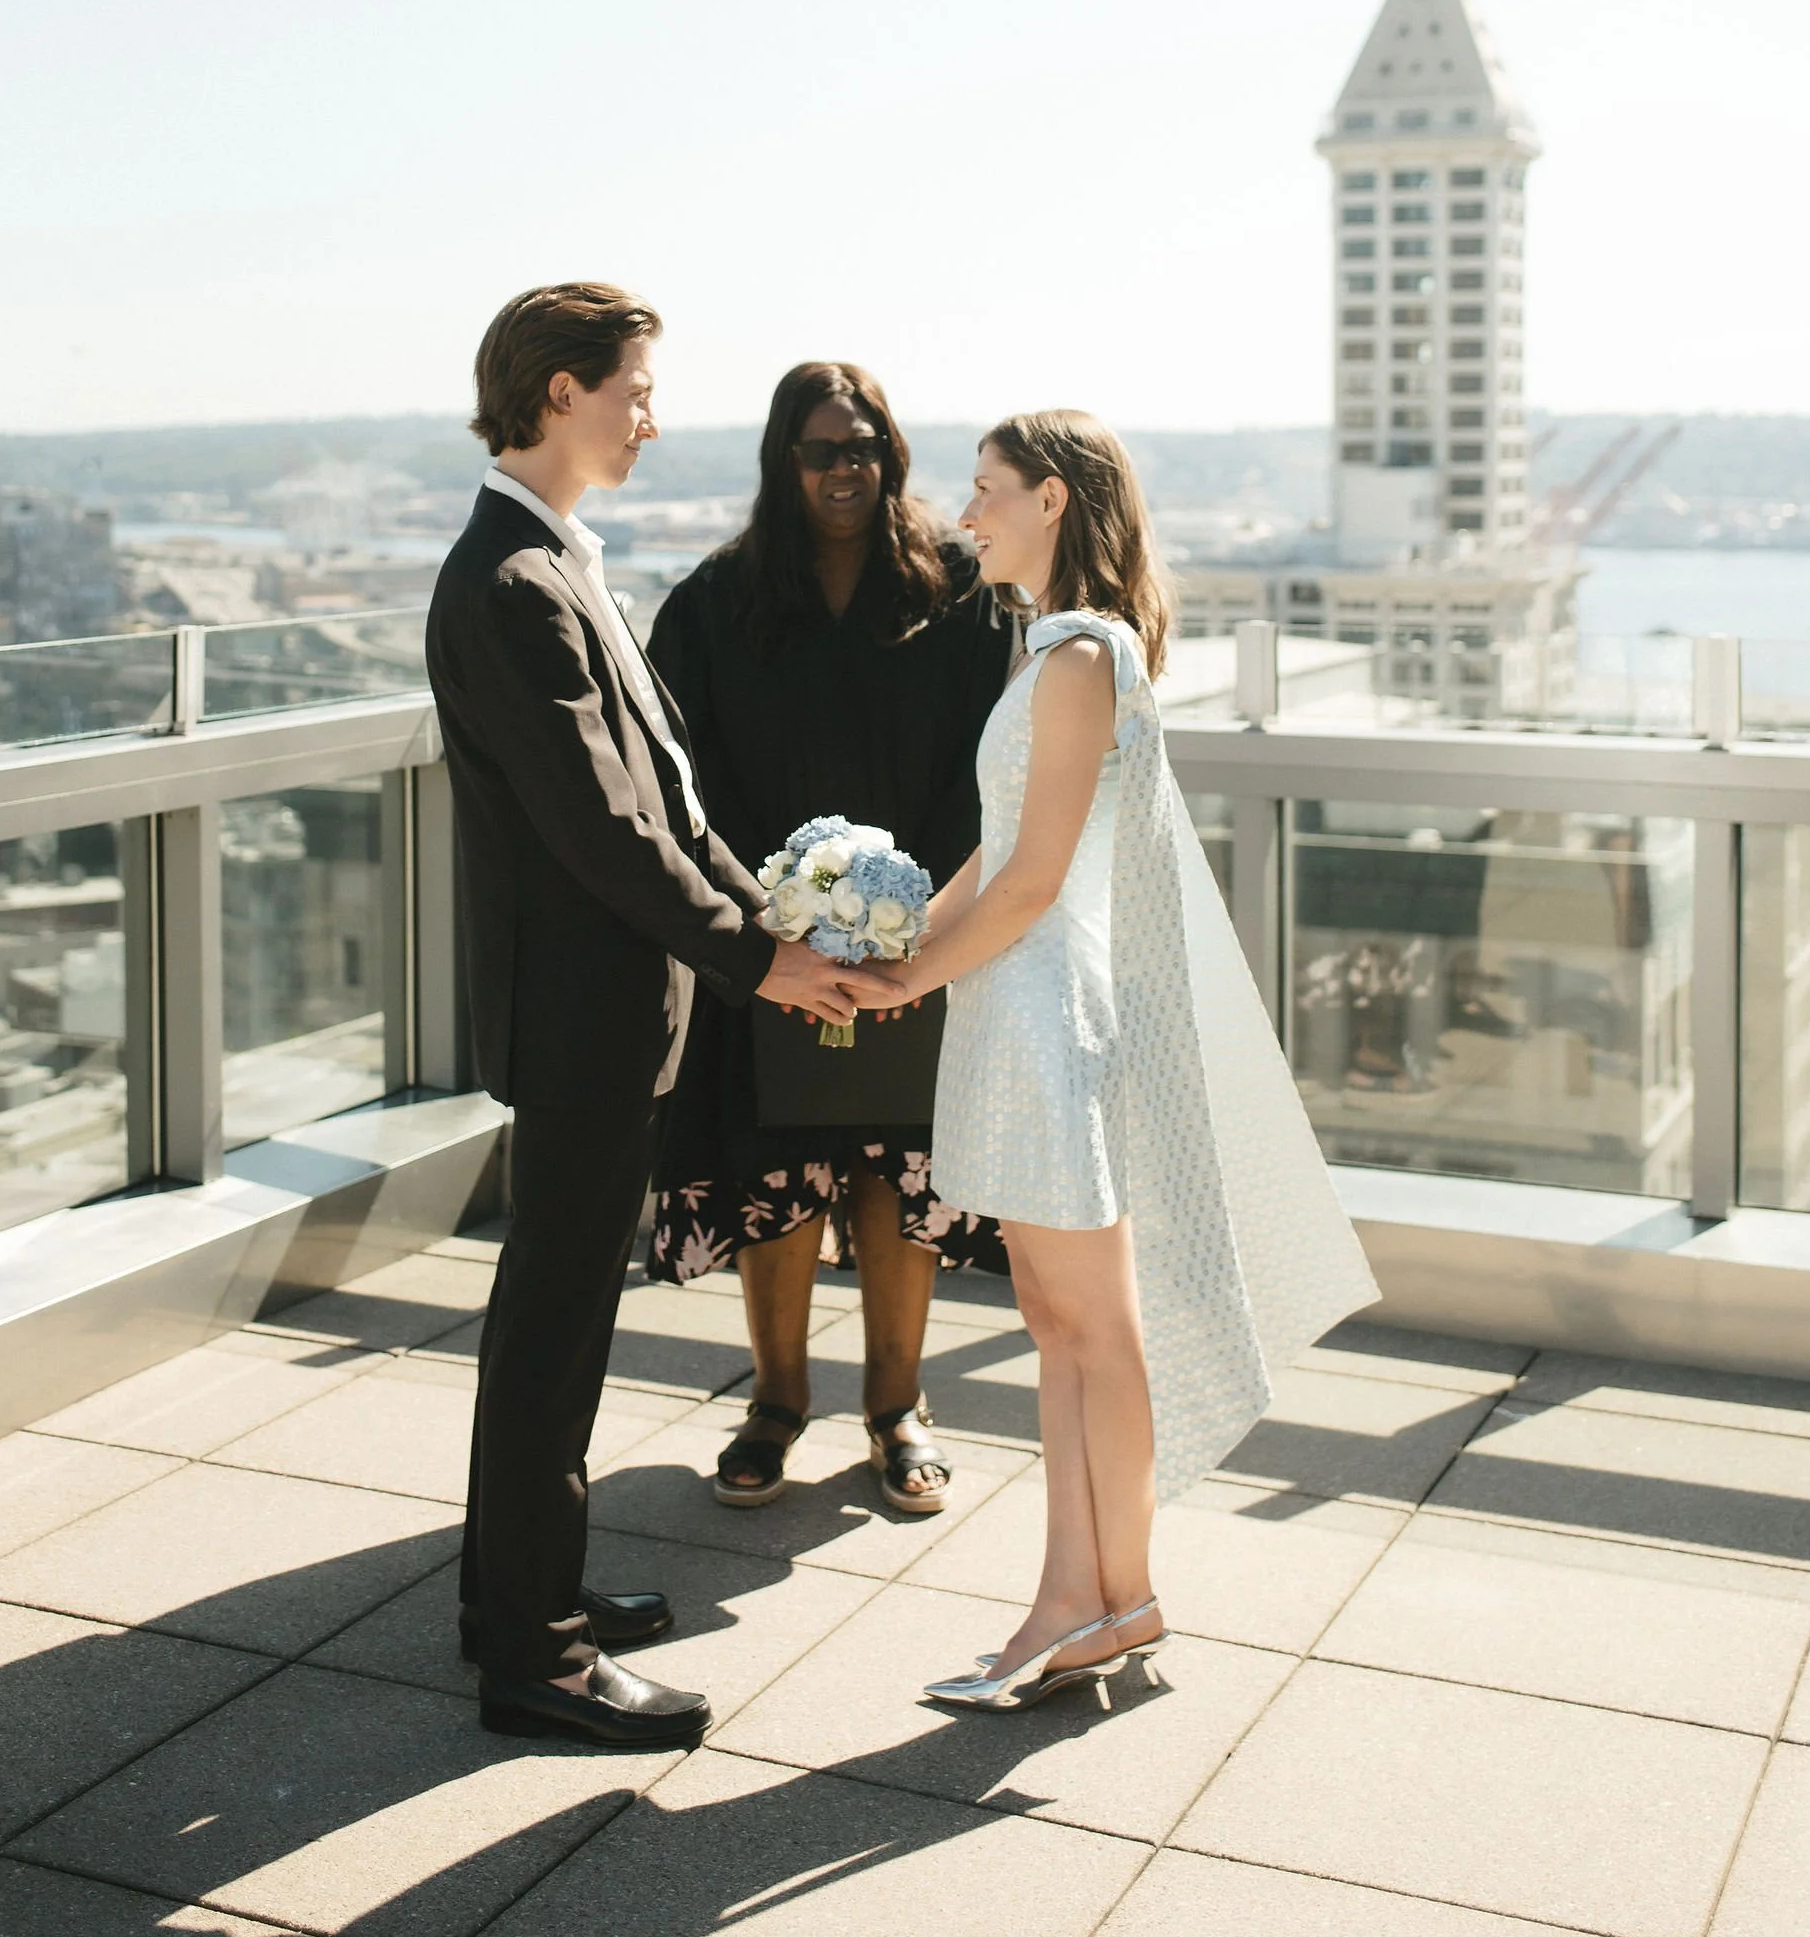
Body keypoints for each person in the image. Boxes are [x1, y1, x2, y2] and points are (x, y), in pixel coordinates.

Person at [840, 410, 1377, 1709]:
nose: (965, 515)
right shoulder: (1054, 650)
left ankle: (1101, 1597)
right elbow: (997, 846)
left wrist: (910, 975)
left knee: (1089, 1324)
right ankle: (1084, 1597)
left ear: (1053, 502)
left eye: (987, 490)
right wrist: (895, 941)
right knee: (1062, 1324)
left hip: (1043, 1018)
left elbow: (1032, 883)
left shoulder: (1080, 655)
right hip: (1014, 1008)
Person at [425, 283, 857, 1751]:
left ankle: (513, 1604)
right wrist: (757, 963)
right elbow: (604, 832)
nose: (651, 420)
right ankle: (536, 1659)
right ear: (561, 391)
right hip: (583, 1019)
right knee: (551, 1338)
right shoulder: (512, 582)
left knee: (550, 1326)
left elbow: (670, 803)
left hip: (604, 1011)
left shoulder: (552, 562)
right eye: (636, 390)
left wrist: (769, 927)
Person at [645, 362, 1014, 1515]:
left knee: (900, 1173)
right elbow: (679, 780)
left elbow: (990, 771)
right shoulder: (715, 599)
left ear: (889, 455)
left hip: (919, 943)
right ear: (783, 461)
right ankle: (774, 1403)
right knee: (778, 1173)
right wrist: (779, 923)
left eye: (862, 447)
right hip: (769, 947)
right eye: (819, 450)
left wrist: (911, 925)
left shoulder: (958, 590)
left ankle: (897, 1408)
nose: (843, 468)